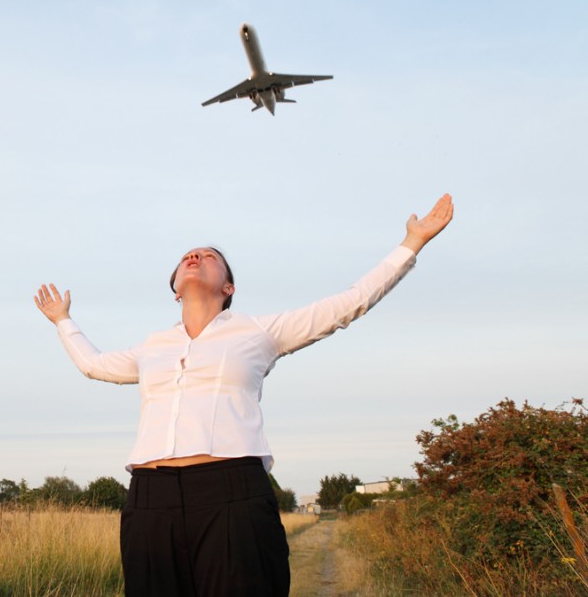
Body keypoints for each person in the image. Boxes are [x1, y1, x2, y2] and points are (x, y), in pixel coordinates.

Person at [34, 194, 454, 597]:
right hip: (149, 499)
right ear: (175, 288)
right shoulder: (152, 347)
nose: (195, 257)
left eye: (210, 256)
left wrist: (412, 243)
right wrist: (63, 320)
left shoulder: (258, 332)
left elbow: (347, 304)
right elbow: (93, 364)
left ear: (229, 287)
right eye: (187, 257)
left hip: (231, 492)